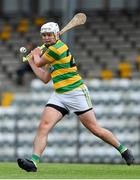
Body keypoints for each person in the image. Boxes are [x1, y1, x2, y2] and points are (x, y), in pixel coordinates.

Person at [17, 22, 134, 172]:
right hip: (59, 94)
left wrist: (34, 56)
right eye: (44, 35)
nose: (46, 38)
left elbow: (39, 62)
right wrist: (32, 61)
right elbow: (45, 78)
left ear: (57, 35)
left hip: (76, 92)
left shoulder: (57, 49)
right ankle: (33, 162)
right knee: (43, 126)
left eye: (49, 35)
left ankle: (123, 150)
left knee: (94, 129)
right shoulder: (50, 51)